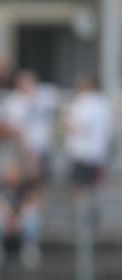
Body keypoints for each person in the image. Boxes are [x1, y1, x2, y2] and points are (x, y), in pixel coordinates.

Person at [64, 74, 113, 202]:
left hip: (84, 152)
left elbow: (79, 126)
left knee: (80, 186)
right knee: (94, 187)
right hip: (98, 152)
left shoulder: (87, 102)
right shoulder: (103, 102)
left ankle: (80, 216)